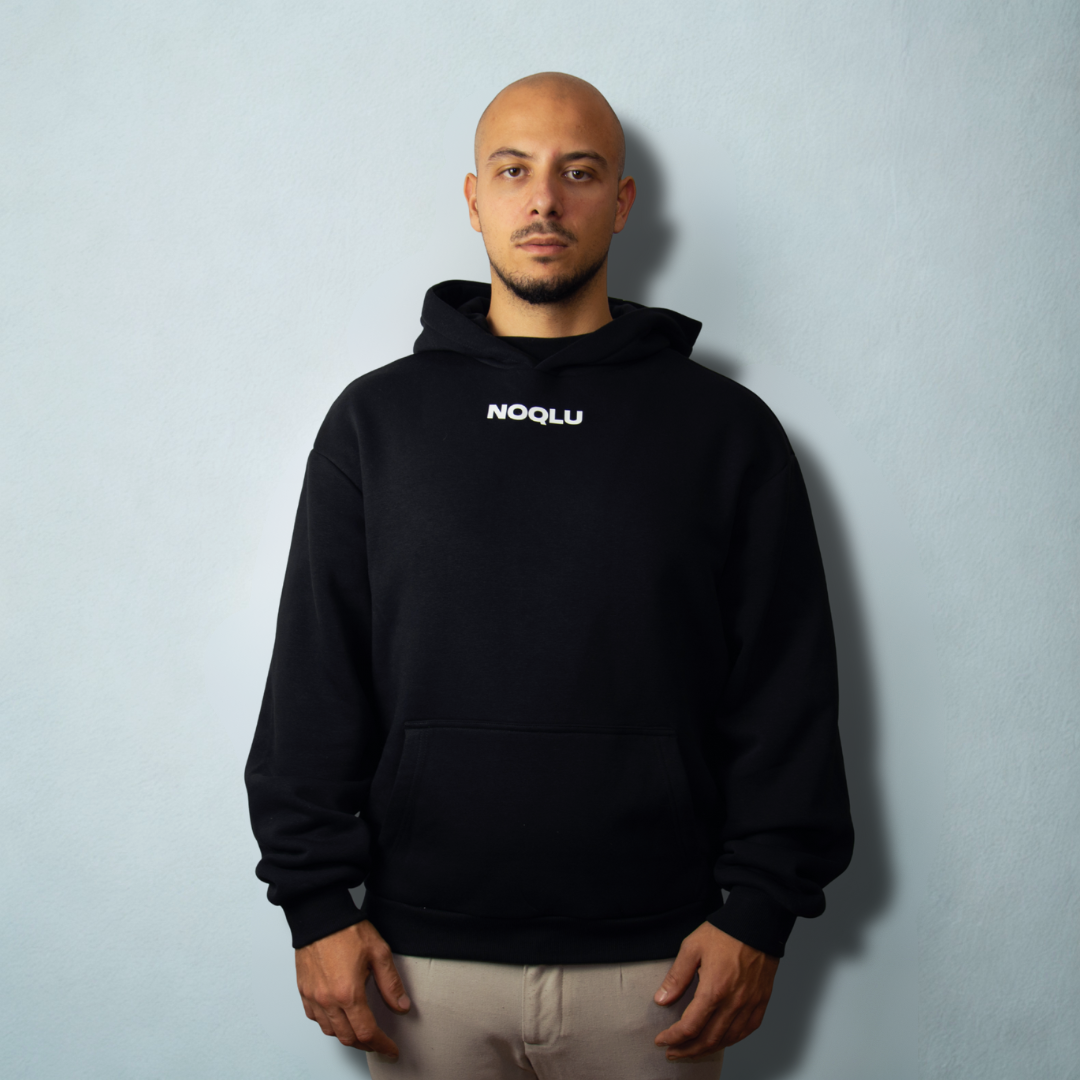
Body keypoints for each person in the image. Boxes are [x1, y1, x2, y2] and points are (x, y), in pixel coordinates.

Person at [245, 72, 854, 1079]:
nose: (543, 200)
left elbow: (785, 688)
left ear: (621, 201)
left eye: (578, 172)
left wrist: (760, 911)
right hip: (420, 969)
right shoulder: (377, 424)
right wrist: (314, 905)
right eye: (513, 170)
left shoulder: (723, 432)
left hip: (660, 972)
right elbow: (317, 675)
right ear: (473, 197)